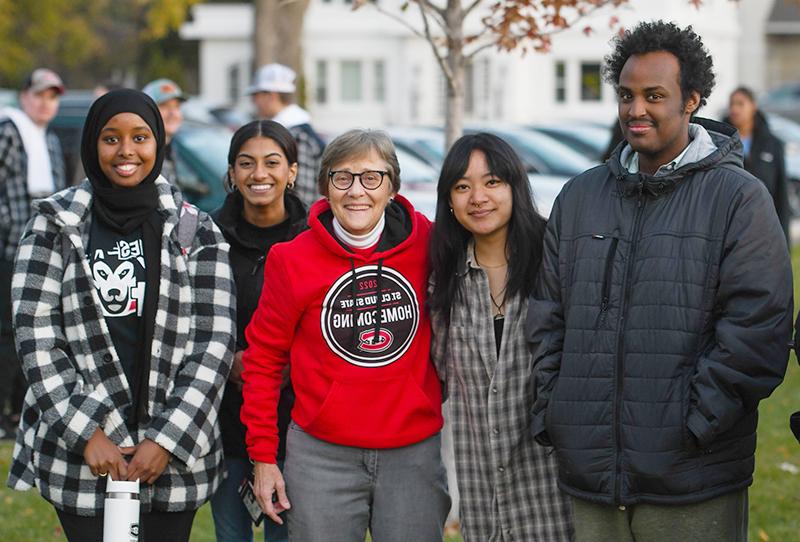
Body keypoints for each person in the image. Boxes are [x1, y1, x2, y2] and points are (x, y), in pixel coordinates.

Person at [527, 21, 793, 542]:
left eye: (654, 95)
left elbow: (758, 328)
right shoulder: (579, 198)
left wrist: (695, 424)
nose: (635, 109)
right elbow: (547, 316)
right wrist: (555, 408)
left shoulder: (739, 199)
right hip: (591, 477)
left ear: (691, 98)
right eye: (626, 95)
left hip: (692, 479)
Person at [6, 88, 236, 542]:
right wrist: (88, 433)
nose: (126, 151)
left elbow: (215, 342)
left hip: (171, 454)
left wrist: (164, 440)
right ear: (92, 144)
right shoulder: (54, 225)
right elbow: (35, 334)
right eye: (111, 138)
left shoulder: (195, 228)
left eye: (140, 137)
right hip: (83, 452)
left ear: (159, 144)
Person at [241, 129, 450, 541]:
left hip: (412, 451)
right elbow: (263, 361)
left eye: (372, 177)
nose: (357, 191)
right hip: (322, 455)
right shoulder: (292, 259)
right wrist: (263, 457)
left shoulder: (429, 243)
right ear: (325, 187)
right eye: (343, 177)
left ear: (392, 187)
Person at [428, 133, 573, 541]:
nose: (478, 197)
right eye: (462, 186)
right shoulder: (443, 280)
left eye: (492, 182)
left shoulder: (556, 261)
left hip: (553, 493)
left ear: (514, 185)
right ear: (449, 200)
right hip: (483, 500)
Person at [209, 120, 307, 542]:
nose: (259, 174)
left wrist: (287, 364)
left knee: (289, 534)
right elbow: (189, 317)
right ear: (231, 173)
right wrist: (226, 360)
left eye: (272, 162)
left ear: (293, 171)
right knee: (232, 534)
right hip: (227, 418)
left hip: (299, 422)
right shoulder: (205, 237)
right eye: (246, 163)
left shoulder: (315, 237)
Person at [0, 68, 67, 440]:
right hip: (9, 251)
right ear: (25, 96)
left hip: (43, 253)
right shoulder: (9, 132)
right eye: (39, 95)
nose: (45, 103)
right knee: (8, 334)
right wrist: (9, 223)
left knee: (37, 331)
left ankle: (21, 411)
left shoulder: (50, 139)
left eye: (52, 97)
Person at [248, 63, 325, 209]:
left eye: (256, 95)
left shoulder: (297, 135)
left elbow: (303, 194)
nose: (254, 101)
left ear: (271, 95)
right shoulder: (294, 129)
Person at [725, 86, 790, 243]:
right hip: (730, 226)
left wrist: (784, 241)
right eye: (732, 104)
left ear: (753, 106)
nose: (735, 109)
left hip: (764, 226)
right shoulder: (720, 142)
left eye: (740, 104)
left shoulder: (772, 144)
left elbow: (781, 193)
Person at [142, 78, 186, 185]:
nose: (173, 113)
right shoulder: (144, 156)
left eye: (176, 106)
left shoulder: (172, 148)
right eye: (164, 106)